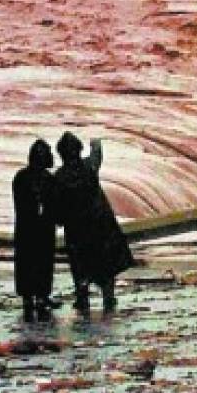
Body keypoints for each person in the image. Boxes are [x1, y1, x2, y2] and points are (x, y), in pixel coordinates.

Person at [53, 132, 133, 316]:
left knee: (80, 267)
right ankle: (108, 297)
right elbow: (97, 153)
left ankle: (82, 299)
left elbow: (57, 207)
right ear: (78, 150)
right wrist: (95, 141)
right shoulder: (89, 166)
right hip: (100, 225)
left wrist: (59, 220)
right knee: (106, 265)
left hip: (76, 230)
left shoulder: (59, 177)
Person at [13, 139, 57, 321]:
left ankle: (32, 297)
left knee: (29, 261)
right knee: (40, 261)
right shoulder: (47, 179)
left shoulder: (22, 177)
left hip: (29, 227)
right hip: (38, 227)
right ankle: (39, 296)